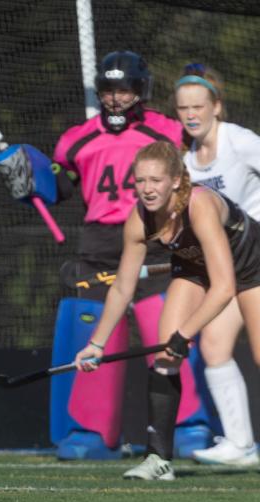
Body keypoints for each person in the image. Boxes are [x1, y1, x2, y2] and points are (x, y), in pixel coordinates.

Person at [49, 51, 215, 460]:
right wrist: (30, 178)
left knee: (167, 329)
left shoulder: (169, 131)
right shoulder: (76, 138)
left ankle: (188, 424)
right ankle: (89, 430)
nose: (116, 98)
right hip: (100, 243)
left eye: (125, 89)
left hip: (156, 236)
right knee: (93, 332)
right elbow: (57, 188)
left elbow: (204, 158)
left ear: (141, 91)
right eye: (109, 89)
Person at [74, 141, 260, 480]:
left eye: (155, 180)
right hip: (196, 269)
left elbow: (224, 288)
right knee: (165, 355)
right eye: (140, 180)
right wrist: (96, 343)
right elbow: (122, 288)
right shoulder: (139, 219)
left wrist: (184, 334)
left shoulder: (199, 205)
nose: (147, 189)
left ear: (176, 179)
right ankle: (159, 459)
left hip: (252, 267)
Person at [174, 63, 260, 466]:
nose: (191, 114)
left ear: (217, 107)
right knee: (213, 345)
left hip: (257, 256)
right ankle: (241, 446)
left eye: (198, 106)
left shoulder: (239, 141)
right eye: (183, 107)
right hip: (228, 268)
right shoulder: (186, 159)